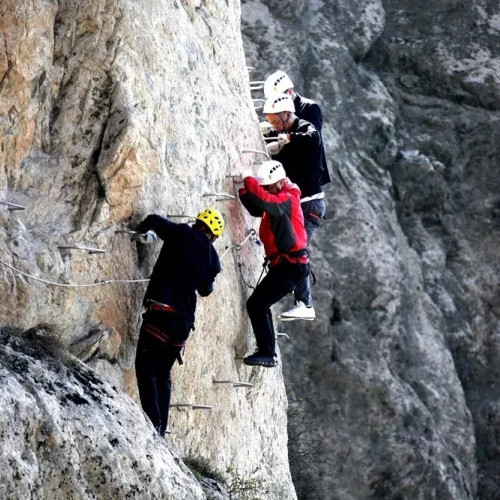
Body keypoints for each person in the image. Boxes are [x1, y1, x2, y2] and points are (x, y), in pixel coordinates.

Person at [134, 208, 224, 437]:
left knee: (146, 371)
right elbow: (206, 290)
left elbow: (154, 220)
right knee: (163, 374)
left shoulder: (183, 233)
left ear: (199, 224)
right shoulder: (214, 260)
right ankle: (161, 429)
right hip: (183, 324)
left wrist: (140, 232)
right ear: (213, 235)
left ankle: (153, 425)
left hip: (163, 314)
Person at [238, 160, 309, 367]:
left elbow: (266, 201)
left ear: (279, 182)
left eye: (268, 186)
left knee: (257, 304)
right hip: (286, 266)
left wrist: (248, 179)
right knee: (259, 304)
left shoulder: (286, 198)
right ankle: (268, 352)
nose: (266, 190)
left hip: (290, 266)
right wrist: (244, 192)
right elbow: (258, 208)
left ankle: (268, 353)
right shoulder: (279, 200)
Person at [262, 93, 324, 321]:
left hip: (310, 204)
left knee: (297, 251)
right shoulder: (285, 132)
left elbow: (313, 136)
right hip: (302, 205)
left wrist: (287, 138)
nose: (275, 126)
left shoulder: (305, 128)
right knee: (288, 249)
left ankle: (305, 303)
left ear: (287, 114)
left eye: (277, 122)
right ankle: (290, 284)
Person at [263, 69, 331, 187]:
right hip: (286, 170)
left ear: (289, 92)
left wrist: (286, 138)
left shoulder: (309, 108)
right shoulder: (274, 110)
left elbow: (311, 139)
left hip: (306, 172)